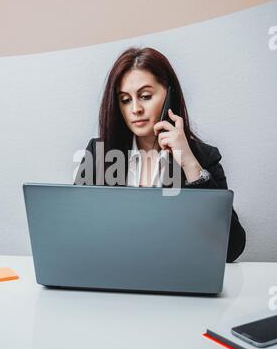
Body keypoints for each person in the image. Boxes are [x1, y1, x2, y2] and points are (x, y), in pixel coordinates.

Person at [74, 47, 246, 263]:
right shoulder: (100, 154)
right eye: (125, 99)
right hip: (113, 274)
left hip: (175, 278)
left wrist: (189, 164)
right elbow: (76, 232)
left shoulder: (202, 157)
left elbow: (231, 249)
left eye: (145, 96)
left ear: (169, 95)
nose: (135, 108)